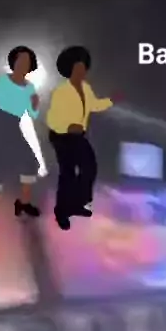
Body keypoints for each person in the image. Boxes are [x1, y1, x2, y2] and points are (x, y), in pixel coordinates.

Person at [46, 45, 113, 230]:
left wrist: (111, 101)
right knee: (68, 172)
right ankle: (62, 211)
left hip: (77, 136)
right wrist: (67, 126)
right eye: (78, 68)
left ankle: (78, 203)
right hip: (61, 135)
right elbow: (52, 118)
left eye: (83, 67)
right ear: (70, 69)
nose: (82, 71)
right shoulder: (62, 91)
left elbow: (94, 105)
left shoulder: (86, 88)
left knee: (89, 167)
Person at [0, 45, 41, 226]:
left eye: (27, 62)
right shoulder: (3, 82)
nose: (23, 65)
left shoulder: (30, 87)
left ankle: (23, 205)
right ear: (14, 63)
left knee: (30, 163)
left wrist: (35, 104)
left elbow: (32, 114)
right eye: (21, 61)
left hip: (14, 125)